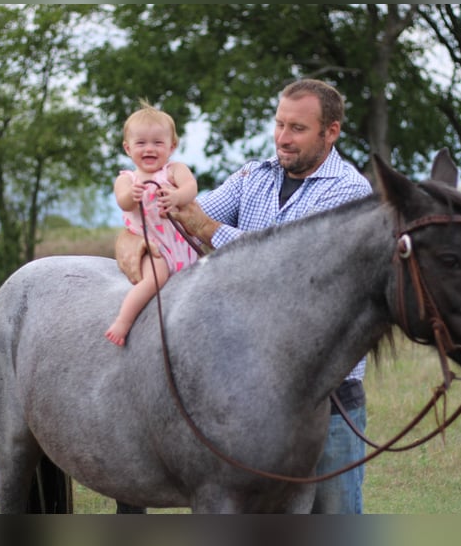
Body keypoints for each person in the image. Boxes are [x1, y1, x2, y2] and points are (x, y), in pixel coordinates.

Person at [115, 79, 372, 513]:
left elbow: (288, 268)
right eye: (279, 124)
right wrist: (133, 244)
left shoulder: (348, 191)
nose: (283, 138)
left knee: (336, 518)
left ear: (331, 132)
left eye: (297, 129)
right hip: (248, 386)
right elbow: (182, 224)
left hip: (325, 391)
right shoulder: (255, 174)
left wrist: (208, 230)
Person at [105, 100, 199, 347]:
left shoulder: (174, 170)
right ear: (127, 148)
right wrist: (131, 197)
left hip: (181, 243)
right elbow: (123, 203)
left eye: (158, 143)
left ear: (172, 146)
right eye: (141, 143)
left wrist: (177, 196)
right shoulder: (127, 179)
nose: (150, 149)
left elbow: (191, 188)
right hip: (151, 247)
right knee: (155, 278)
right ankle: (123, 321)